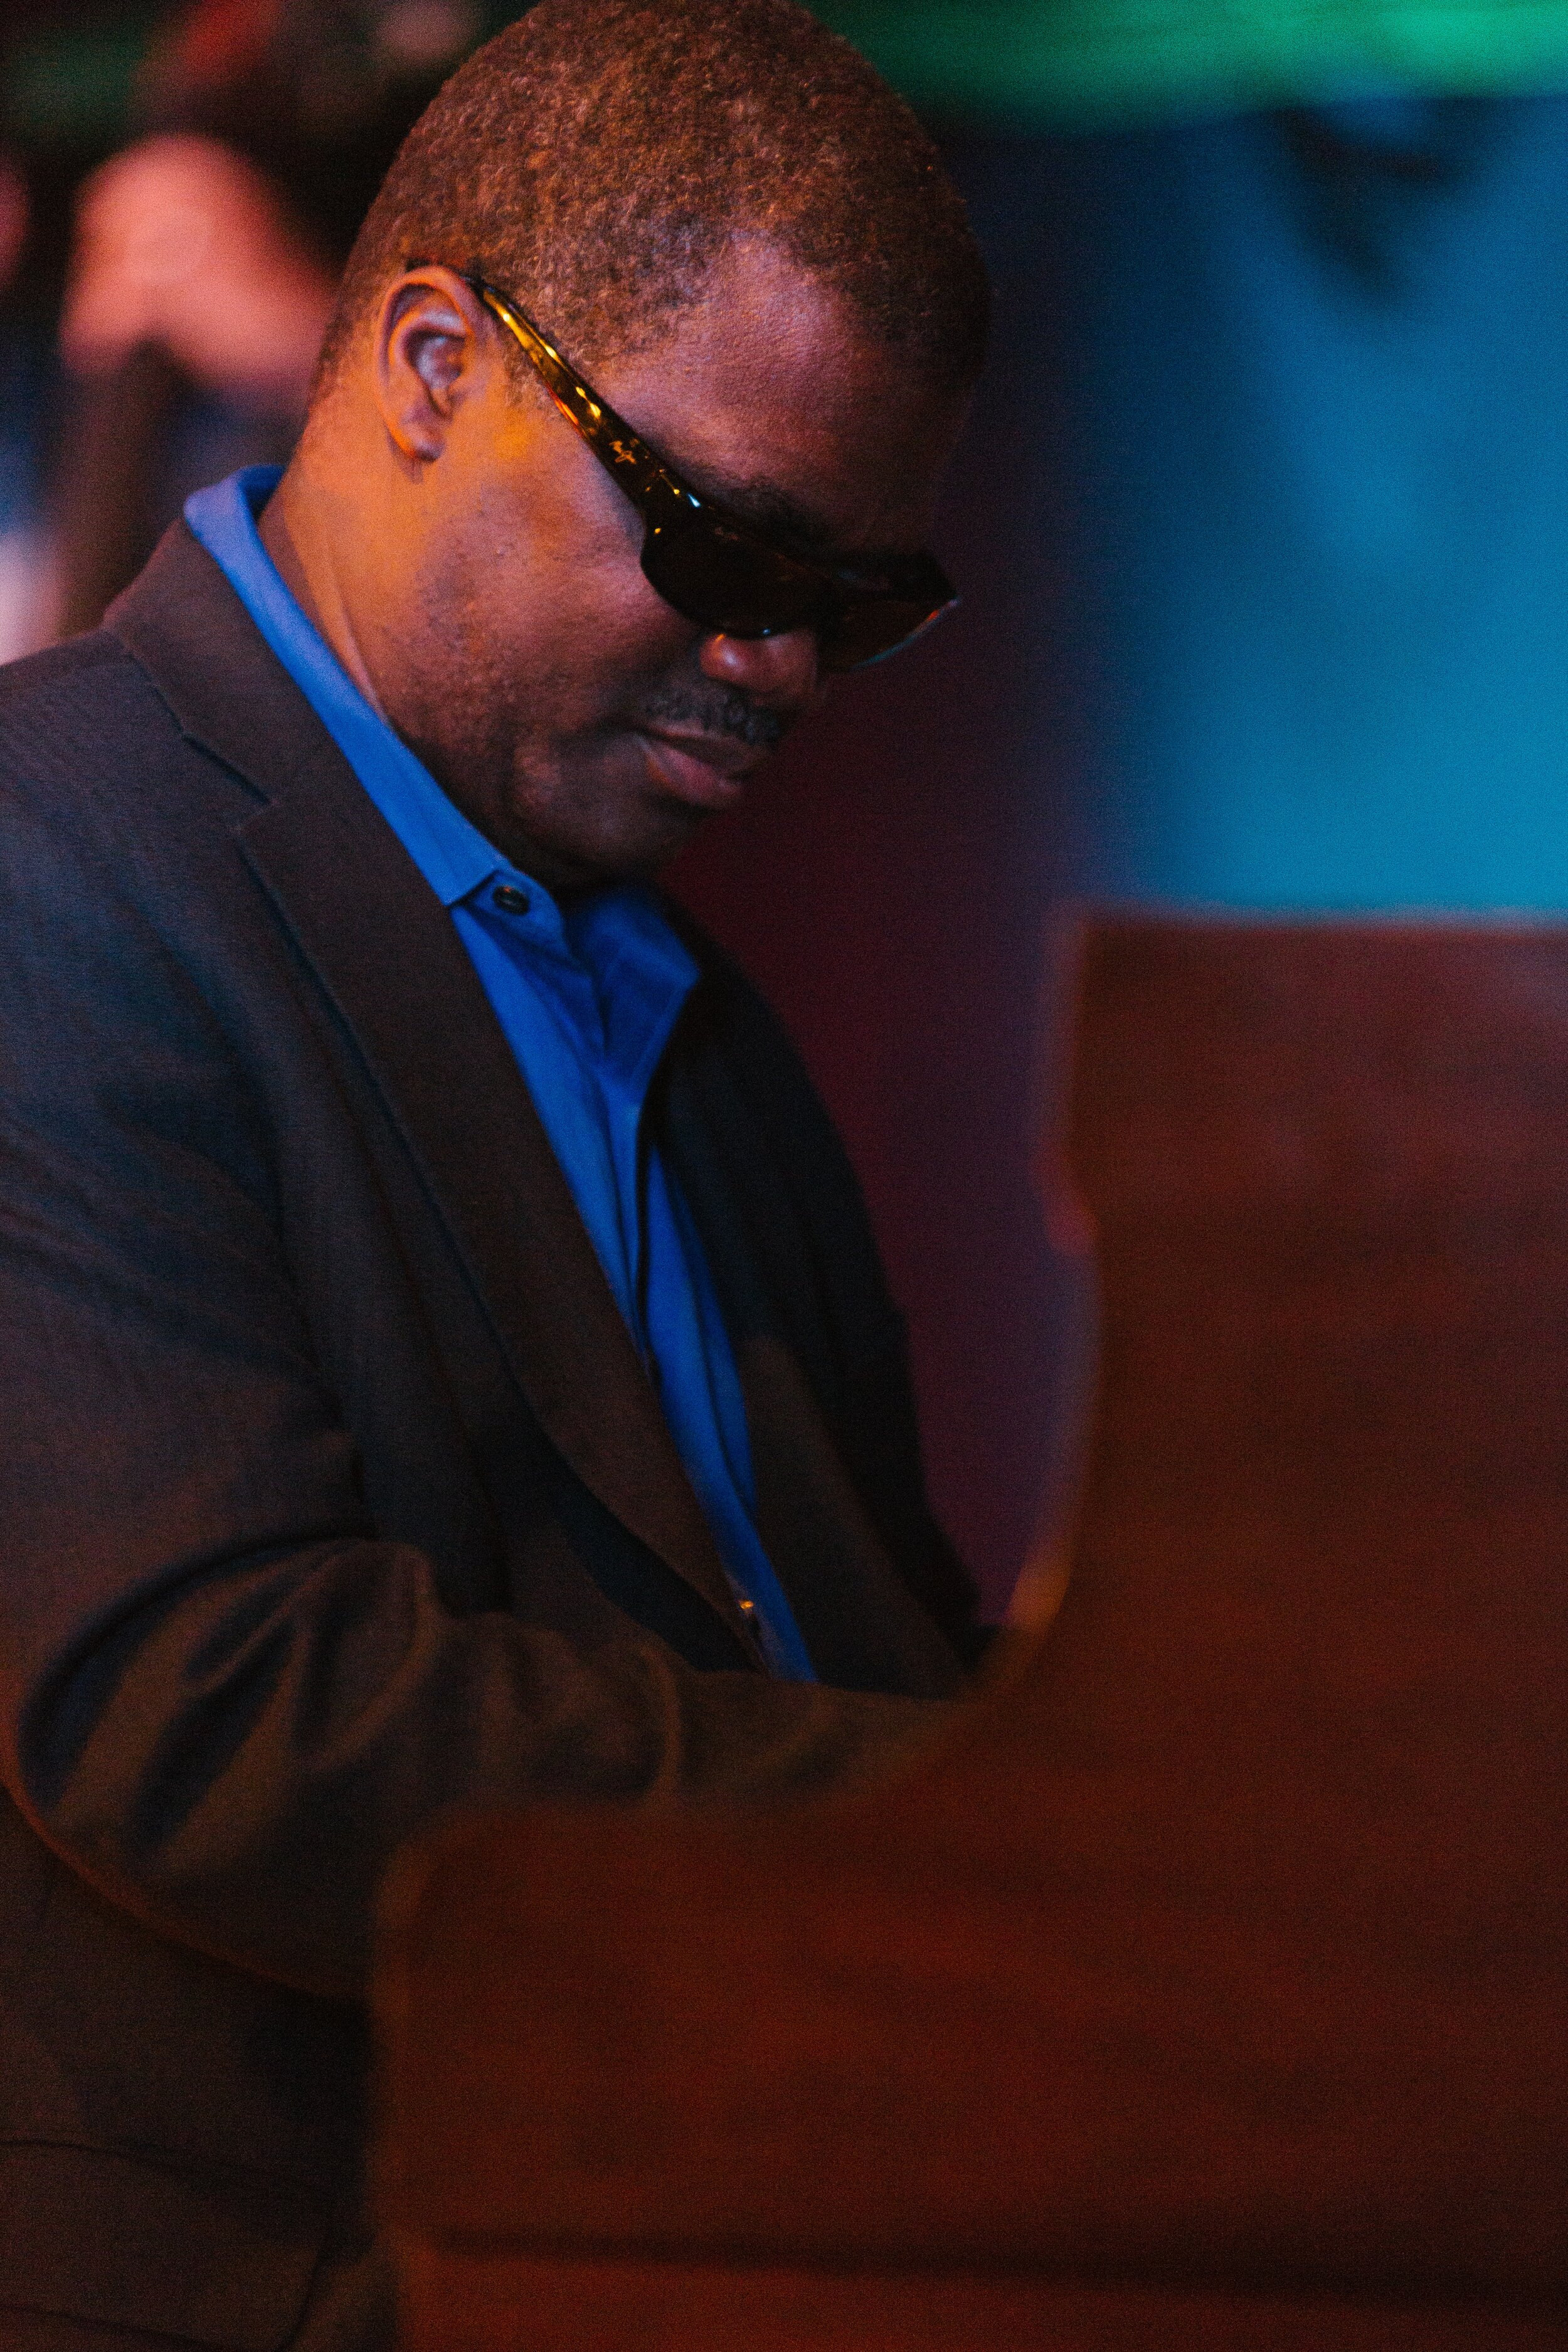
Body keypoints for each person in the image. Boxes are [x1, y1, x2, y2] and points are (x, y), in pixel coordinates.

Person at [0, 3, 991, 2343]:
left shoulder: (683, 1005)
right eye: (720, 540)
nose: (777, 664)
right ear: (433, 358)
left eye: (857, 601)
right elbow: (206, 1704)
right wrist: (955, 1830)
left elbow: (848, 1628)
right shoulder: (50, 863)